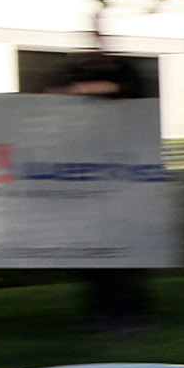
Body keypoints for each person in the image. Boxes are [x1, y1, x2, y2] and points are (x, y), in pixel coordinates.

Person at [43, 53, 153, 331]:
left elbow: (128, 92)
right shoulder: (71, 69)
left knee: (121, 252)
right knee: (94, 256)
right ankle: (105, 313)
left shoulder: (125, 70)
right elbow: (49, 94)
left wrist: (79, 91)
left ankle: (128, 314)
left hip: (120, 179)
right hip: (88, 181)